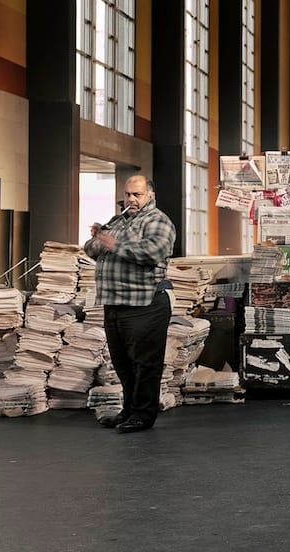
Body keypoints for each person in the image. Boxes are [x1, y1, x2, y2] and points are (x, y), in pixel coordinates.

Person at [83, 174, 176, 433]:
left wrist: (112, 242)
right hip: (115, 303)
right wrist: (102, 237)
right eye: (128, 194)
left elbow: (151, 252)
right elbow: (90, 248)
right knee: (123, 364)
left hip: (145, 303)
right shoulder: (118, 221)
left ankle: (144, 415)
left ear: (150, 195)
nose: (131, 199)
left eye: (137, 194)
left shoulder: (158, 221)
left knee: (145, 363)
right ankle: (129, 410)